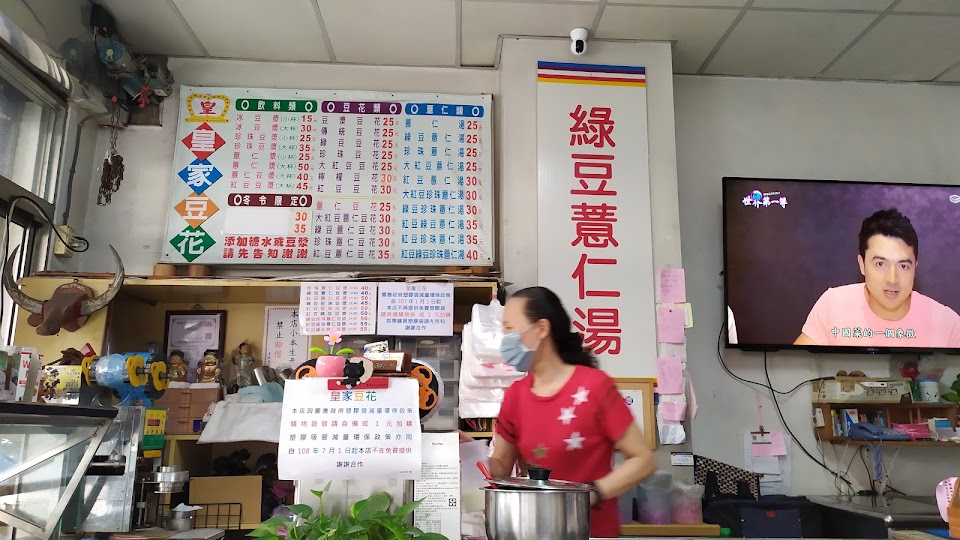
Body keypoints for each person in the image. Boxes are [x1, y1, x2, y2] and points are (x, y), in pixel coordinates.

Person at [470, 286, 656, 538]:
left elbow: (643, 460)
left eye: (510, 329)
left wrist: (588, 495)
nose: (505, 339)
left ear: (541, 329)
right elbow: (501, 467)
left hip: (592, 532)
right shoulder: (516, 395)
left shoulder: (595, 386)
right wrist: (471, 451)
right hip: (534, 532)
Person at [794, 208, 960, 348]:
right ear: (862, 264)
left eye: (903, 266)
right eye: (880, 264)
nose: (892, 280)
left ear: (915, 267)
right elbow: (796, 367)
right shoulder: (833, 304)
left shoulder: (948, 324)